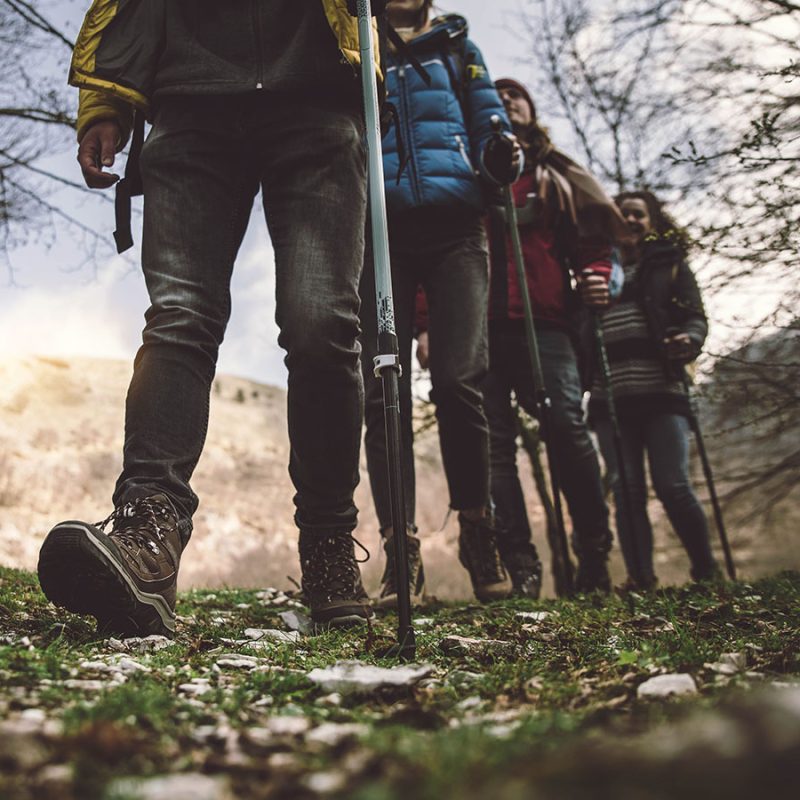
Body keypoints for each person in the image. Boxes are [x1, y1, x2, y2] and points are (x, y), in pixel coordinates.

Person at [36, 1, 386, 636]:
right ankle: (149, 532)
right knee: (178, 318)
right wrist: (104, 104)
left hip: (317, 95)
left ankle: (330, 546)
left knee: (323, 329)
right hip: (187, 97)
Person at [360, 0, 520, 606]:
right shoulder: (356, 40)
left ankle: (478, 531)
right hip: (382, 231)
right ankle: (400, 551)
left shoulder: (456, 45)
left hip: (459, 226)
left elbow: (489, 120)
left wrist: (501, 157)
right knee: (384, 388)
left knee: (458, 382)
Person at [478, 78, 630, 595]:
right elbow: (441, 250)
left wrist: (597, 276)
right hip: (477, 326)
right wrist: (430, 325)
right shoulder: (466, 172)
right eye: (495, 94)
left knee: (567, 427)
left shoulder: (556, 174)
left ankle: (593, 553)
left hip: (547, 323)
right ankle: (518, 563)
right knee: (490, 448)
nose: (505, 100)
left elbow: (592, 240)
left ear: (530, 108)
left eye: (515, 94)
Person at [589, 190, 720, 590]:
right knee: (626, 492)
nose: (630, 220)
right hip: (610, 401)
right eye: (622, 214)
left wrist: (689, 340)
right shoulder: (591, 268)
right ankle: (641, 578)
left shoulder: (670, 264)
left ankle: (706, 572)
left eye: (638, 214)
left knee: (672, 485)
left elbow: (695, 316)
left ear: (651, 221)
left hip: (664, 393)